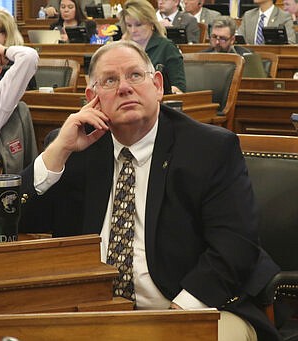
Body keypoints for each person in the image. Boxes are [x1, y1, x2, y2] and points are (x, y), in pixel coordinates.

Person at [18, 40, 281, 341]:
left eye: (135, 76)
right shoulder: (75, 146)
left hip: (198, 306)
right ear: (92, 98)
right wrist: (58, 152)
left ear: (157, 85)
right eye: (110, 80)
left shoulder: (209, 149)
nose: (124, 88)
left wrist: (176, 316)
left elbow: (235, 246)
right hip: (94, 311)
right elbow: (18, 223)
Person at [120, 0, 185, 94]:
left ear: (151, 23)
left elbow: (179, 88)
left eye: (138, 25)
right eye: (129, 25)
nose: (133, 30)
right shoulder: (124, 48)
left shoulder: (167, 47)